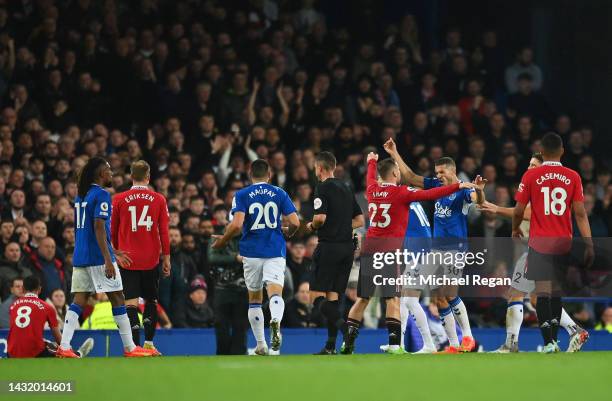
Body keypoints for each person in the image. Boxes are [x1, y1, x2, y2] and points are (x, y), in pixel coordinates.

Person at [341, 152, 478, 355]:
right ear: (395, 173)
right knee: (396, 299)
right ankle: (398, 344)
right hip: (394, 251)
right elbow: (430, 194)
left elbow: (371, 176)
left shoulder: (371, 189)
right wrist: (457, 186)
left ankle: (348, 342)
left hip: (373, 250)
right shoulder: (403, 193)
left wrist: (371, 161)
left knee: (365, 299)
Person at [384, 138, 486, 353]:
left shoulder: (462, 190)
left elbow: (478, 199)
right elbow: (411, 177)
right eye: (436, 172)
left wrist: (480, 190)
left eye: (442, 172)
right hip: (436, 250)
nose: (438, 176)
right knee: (437, 296)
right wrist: (394, 153)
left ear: (453, 170)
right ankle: (454, 344)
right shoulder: (437, 187)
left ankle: (468, 337)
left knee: (449, 293)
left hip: (455, 249)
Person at [480, 153, 589, 352]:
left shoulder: (540, 187)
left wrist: (496, 208)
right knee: (536, 297)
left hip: (539, 250)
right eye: (529, 164)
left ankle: (511, 344)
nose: (529, 168)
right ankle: (575, 330)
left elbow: (529, 213)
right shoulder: (536, 186)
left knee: (517, 293)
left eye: (533, 165)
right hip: (544, 249)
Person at [56, 157, 155, 358]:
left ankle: (64, 346)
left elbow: (86, 231)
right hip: (98, 258)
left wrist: (113, 250)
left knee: (79, 299)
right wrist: (108, 259)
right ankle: (130, 347)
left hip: (81, 255)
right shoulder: (101, 194)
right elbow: (99, 227)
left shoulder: (81, 195)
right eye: (109, 170)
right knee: (118, 296)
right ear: (101, 174)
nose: (112, 174)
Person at [512, 133, 593, 353]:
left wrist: (514, 227)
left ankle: (549, 343)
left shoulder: (530, 176)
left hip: (540, 242)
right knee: (556, 291)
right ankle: (556, 338)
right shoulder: (573, 176)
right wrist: (589, 243)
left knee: (541, 294)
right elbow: (580, 214)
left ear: (542, 151)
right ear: (562, 151)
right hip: (563, 243)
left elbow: (519, 210)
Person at [213, 159, 300, 356]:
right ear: (269, 174)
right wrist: (287, 232)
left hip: (251, 252)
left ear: (250, 174)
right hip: (274, 249)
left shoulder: (242, 194)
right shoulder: (279, 192)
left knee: (254, 300)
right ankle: (276, 320)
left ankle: (261, 345)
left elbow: (236, 225)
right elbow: (295, 221)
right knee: (275, 293)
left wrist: (223, 241)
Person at [306, 151, 365, 355]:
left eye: (315, 168)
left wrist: (311, 226)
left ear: (320, 168)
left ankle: (345, 329)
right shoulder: (346, 187)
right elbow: (360, 220)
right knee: (333, 298)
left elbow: (320, 219)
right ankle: (331, 346)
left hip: (329, 247)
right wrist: (341, 226)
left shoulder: (322, 187)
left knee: (314, 297)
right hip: (347, 249)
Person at [111, 160, 170, 356]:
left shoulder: (118, 199)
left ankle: (135, 347)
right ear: (148, 177)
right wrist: (167, 257)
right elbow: (164, 231)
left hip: (127, 258)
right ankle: (149, 344)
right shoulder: (159, 199)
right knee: (151, 300)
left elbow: (112, 230)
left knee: (131, 303)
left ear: (130, 176)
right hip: (151, 257)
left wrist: (115, 252)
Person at [8, 276, 93, 358]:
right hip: (34, 352)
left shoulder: (13, 306)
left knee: (46, 343)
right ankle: (78, 354)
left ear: (23, 289)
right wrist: (66, 349)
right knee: (54, 346)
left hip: (11, 352)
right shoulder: (47, 307)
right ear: (40, 289)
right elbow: (59, 339)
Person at [208, 222, 248, 355]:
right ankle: (222, 354)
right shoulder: (217, 237)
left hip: (242, 290)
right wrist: (235, 258)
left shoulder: (247, 237)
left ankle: (239, 354)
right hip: (222, 289)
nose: (235, 226)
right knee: (220, 324)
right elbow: (212, 257)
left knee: (240, 325)